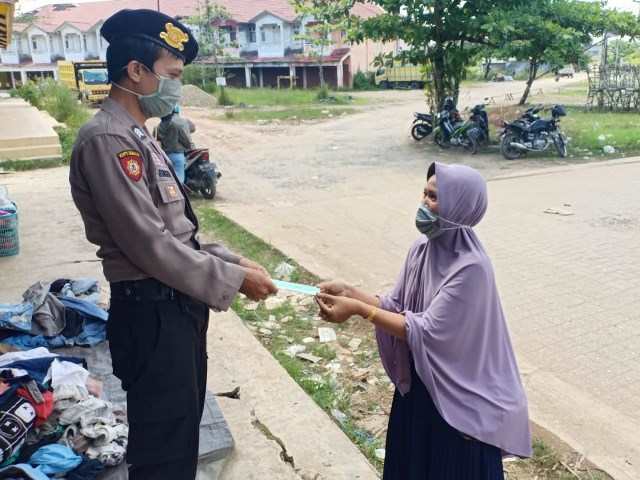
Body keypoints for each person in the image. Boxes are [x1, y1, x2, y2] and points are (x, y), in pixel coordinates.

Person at [68, 9, 277, 480]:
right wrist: (233, 279)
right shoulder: (108, 140)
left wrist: (233, 259)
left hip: (174, 308)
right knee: (163, 451)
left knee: (180, 436)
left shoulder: (139, 134)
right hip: (152, 312)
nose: (178, 87)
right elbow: (148, 243)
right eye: (174, 75)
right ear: (136, 71)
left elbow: (176, 229)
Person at [316, 162, 531, 479]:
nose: (424, 203)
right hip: (422, 385)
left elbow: (426, 330)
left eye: (434, 197)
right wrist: (351, 292)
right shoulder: (421, 249)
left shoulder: (471, 267)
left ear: (459, 207)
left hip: (460, 401)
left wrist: (360, 310)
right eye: (425, 193)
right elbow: (397, 306)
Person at [156, 105, 194, 183]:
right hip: (178, 155)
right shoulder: (180, 123)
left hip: (165, 156)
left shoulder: (159, 126)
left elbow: (156, 140)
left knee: (166, 181)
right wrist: (189, 147)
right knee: (179, 182)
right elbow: (186, 140)